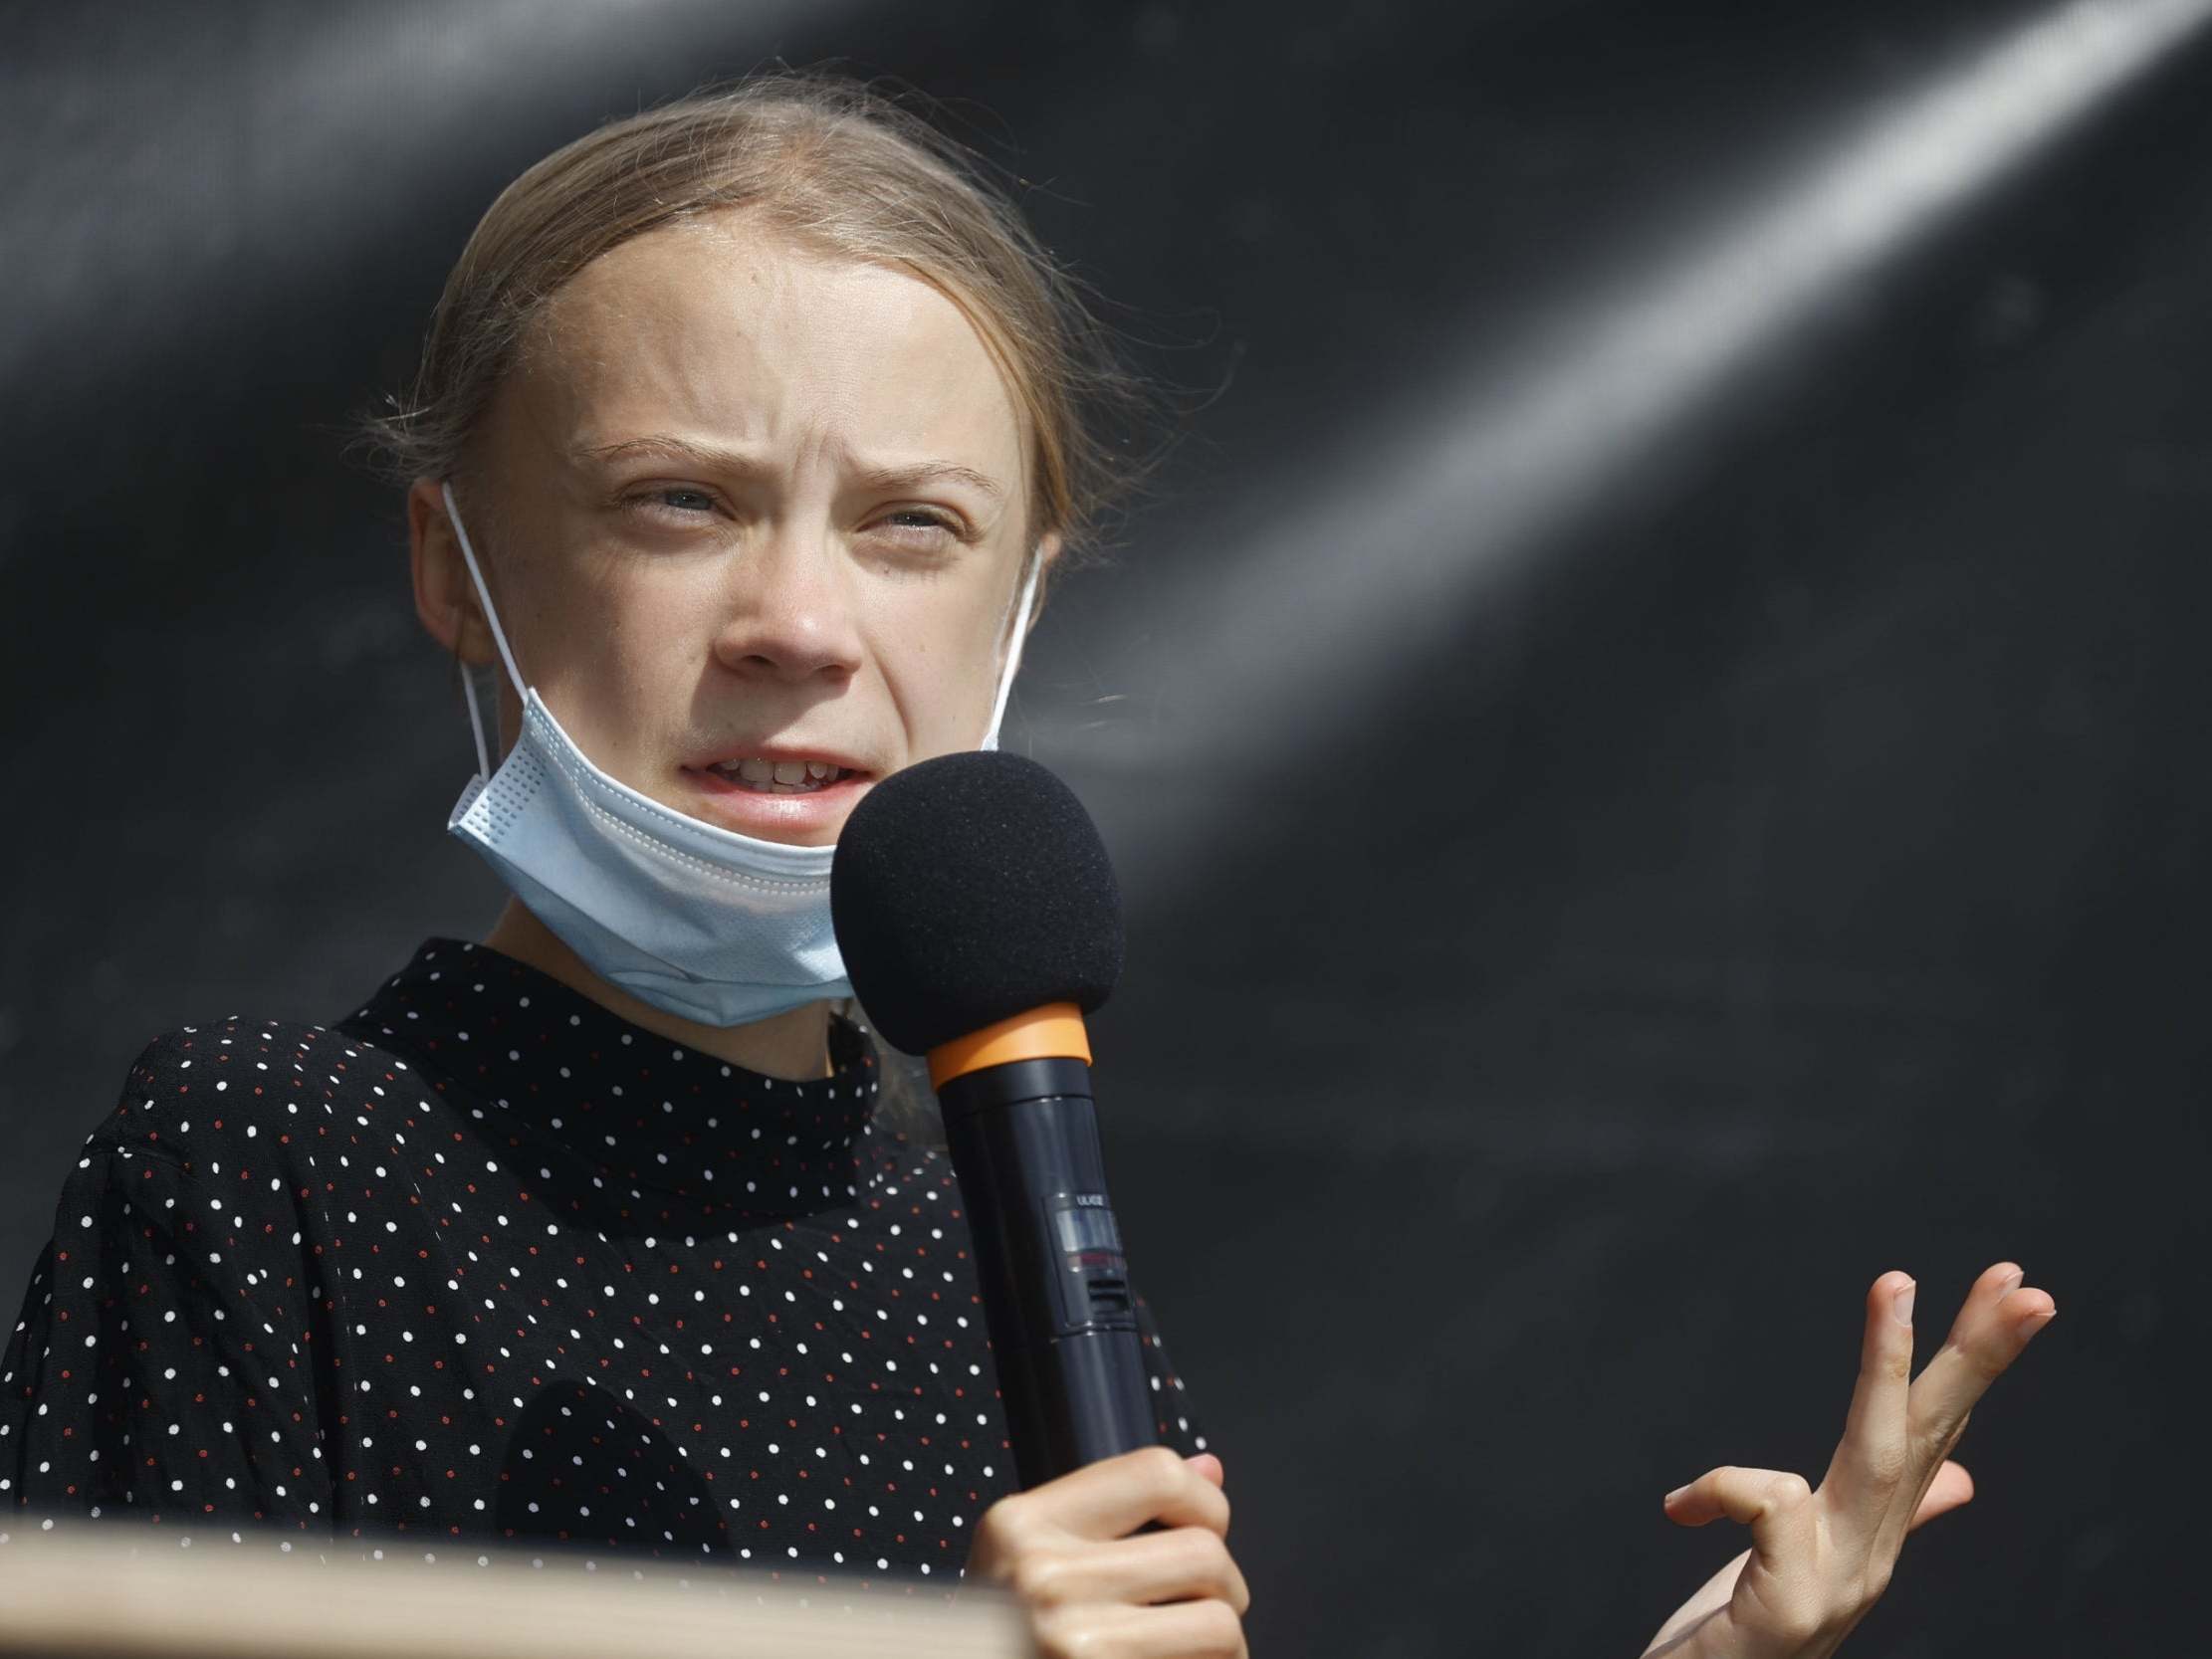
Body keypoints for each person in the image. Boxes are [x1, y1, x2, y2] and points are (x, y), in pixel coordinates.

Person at [0, 71, 2052, 1659]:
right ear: (457, 565)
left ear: (1022, 604)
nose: (801, 621)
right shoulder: (263, 1175)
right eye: (678, 500)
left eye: (908, 526)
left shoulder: (1026, 1282)